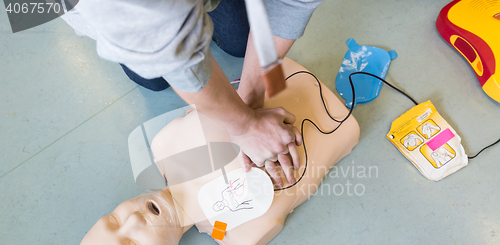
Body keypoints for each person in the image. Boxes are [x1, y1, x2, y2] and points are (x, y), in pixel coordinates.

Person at [79, 58, 360, 245]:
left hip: (278, 71)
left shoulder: (163, 146)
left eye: (113, 219)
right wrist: (225, 233)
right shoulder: (236, 233)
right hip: (336, 121)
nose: (133, 221)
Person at [61, 0, 324, 186]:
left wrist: (251, 98)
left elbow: (291, 3)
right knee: (154, 79)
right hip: (108, 11)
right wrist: (245, 126)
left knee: (239, 42)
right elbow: (171, 58)